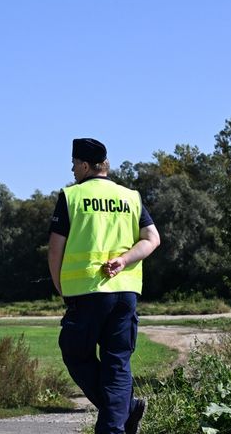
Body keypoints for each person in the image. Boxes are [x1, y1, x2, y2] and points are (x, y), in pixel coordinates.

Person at [47, 138, 161, 434]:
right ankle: (124, 412)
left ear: (85, 166)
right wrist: (124, 260)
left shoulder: (72, 196)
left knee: (75, 354)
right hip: (125, 293)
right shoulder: (130, 197)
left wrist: (60, 286)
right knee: (117, 364)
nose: (72, 170)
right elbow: (152, 239)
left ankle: (120, 418)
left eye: (74, 164)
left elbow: (55, 249)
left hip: (87, 292)